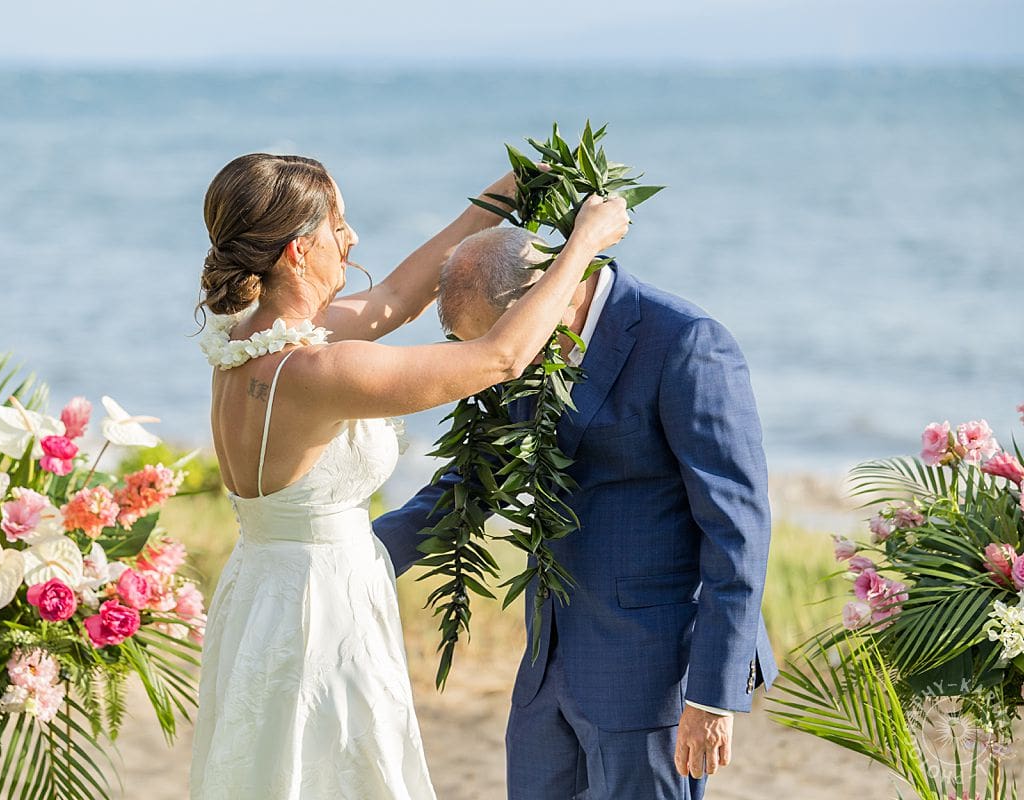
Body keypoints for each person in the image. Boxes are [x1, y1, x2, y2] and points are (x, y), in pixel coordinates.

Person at [187, 153, 633, 799]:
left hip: (264, 591)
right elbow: (500, 358)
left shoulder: (247, 339)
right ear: (297, 250)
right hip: (319, 608)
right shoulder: (315, 372)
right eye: (338, 224)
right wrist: (584, 243)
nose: (352, 238)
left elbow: (396, 298)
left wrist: (504, 192)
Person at [374, 226, 778, 800]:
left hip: (652, 671)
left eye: (498, 344)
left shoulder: (685, 342)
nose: (497, 365)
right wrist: (357, 558)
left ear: (547, 297)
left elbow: (737, 528)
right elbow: (475, 478)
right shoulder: (514, 350)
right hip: (548, 663)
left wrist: (712, 697)